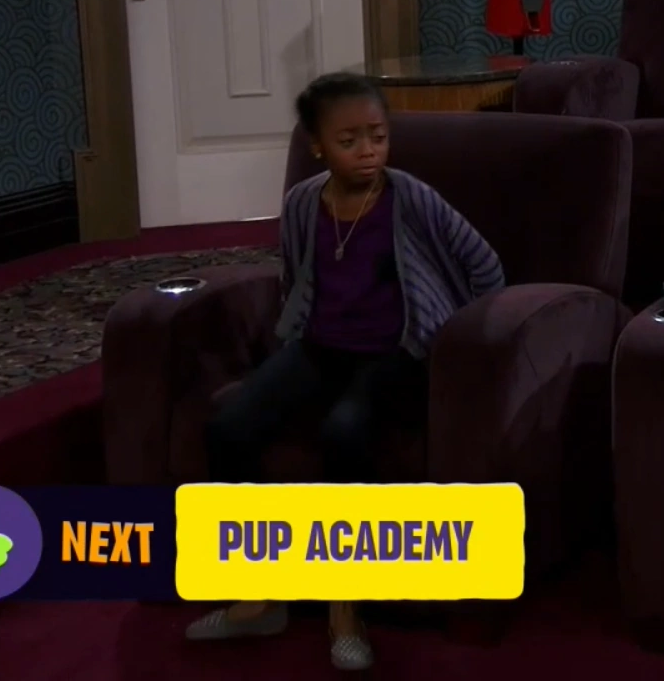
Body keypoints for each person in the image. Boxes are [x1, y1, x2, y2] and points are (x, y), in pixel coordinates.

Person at [184, 73, 506, 671]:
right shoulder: (303, 203)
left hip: (395, 353)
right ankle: (257, 596)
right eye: (349, 140)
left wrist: (458, 342)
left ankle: (345, 608)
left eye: (378, 137)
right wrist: (291, 339)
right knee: (228, 426)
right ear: (317, 145)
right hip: (319, 347)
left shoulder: (412, 198)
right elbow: (296, 278)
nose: (367, 151)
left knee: (344, 431)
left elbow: (484, 265)